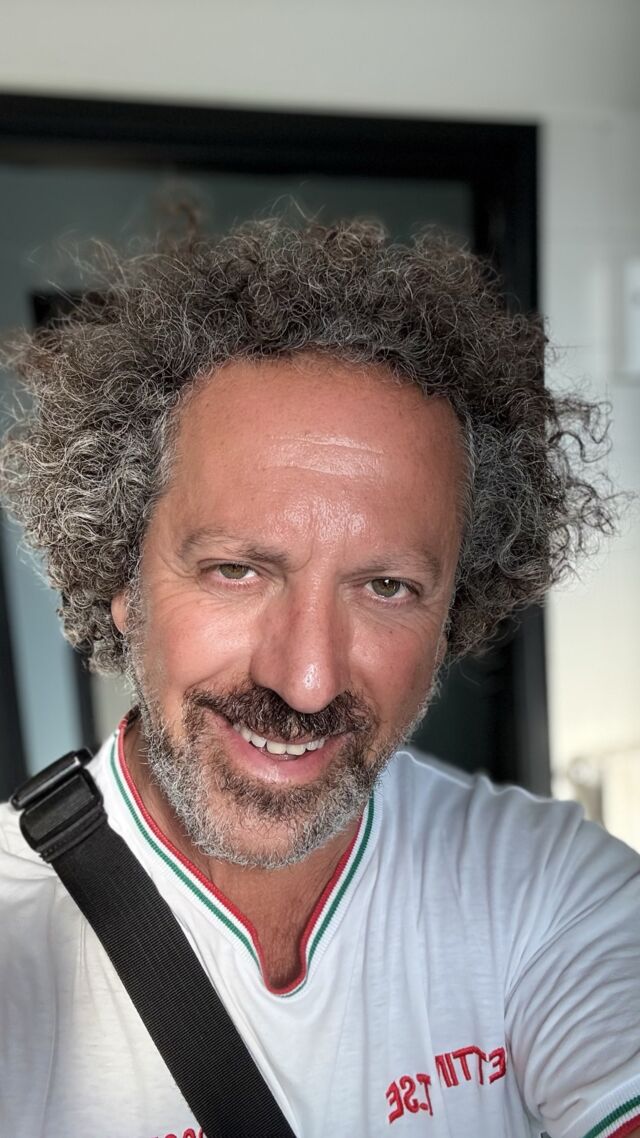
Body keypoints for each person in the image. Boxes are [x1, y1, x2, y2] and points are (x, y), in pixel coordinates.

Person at [0, 218, 638, 1138]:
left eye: (387, 587)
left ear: (454, 611)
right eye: (237, 570)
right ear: (122, 581)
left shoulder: (549, 891)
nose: (306, 682)